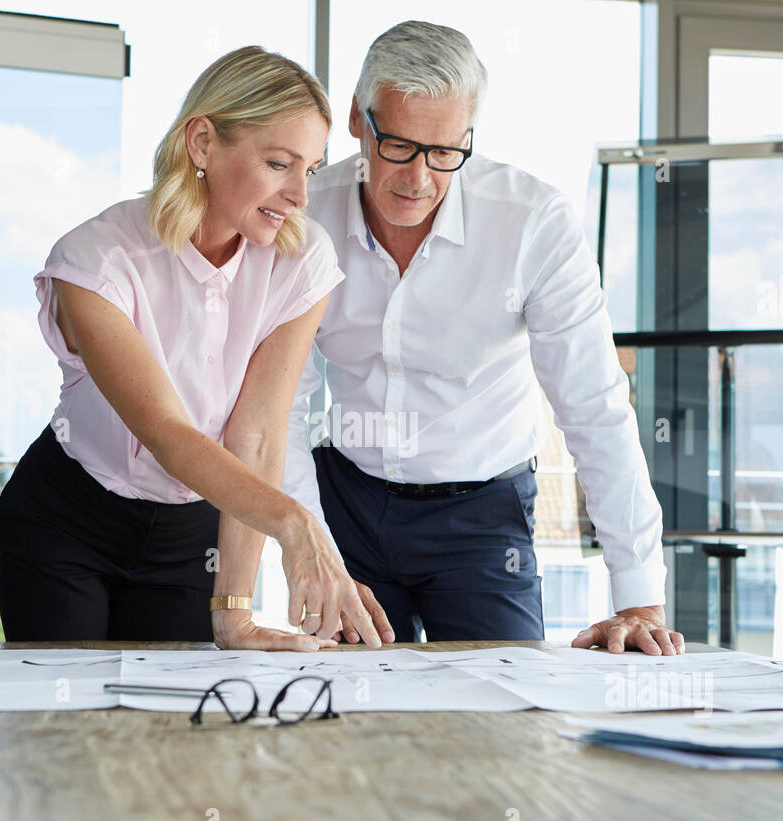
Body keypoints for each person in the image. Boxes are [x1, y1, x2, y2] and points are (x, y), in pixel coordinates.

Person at [281, 21, 685, 654]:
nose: (419, 178)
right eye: (399, 146)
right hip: (346, 505)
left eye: (446, 152)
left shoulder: (533, 224)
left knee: (505, 715)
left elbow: (593, 408)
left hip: (481, 515)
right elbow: (282, 407)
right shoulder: (308, 214)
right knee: (342, 708)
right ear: (359, 122)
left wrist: (637, 597)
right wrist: (310, 548)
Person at [0, 45, 391, 650]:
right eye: (279, 163)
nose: (300, 196)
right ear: (203, 143)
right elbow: (166, 431)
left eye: (308, 170)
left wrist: (235, 611)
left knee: (170, 734)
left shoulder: (302, 262)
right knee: (72, 729)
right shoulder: (97, 259)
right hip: (67, 523)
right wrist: (293, 522)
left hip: (192, 537)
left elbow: (255, 437)